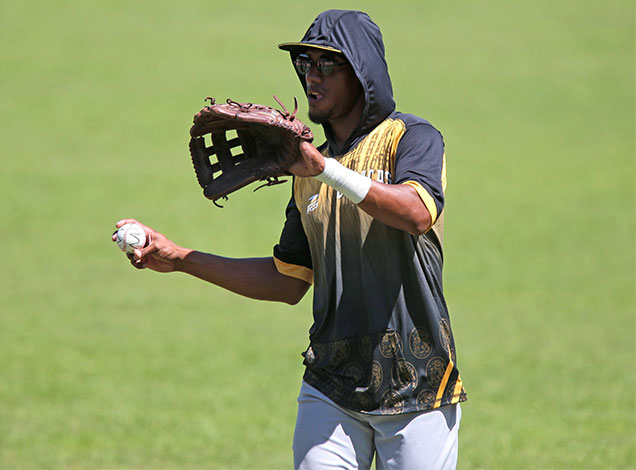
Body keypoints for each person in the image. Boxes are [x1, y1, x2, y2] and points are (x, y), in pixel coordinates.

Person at [114, 9, 466, 469]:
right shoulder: (307, 169)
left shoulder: (411, 138)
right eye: (304, 63)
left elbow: (417, 213)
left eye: (326, 64)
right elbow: (287, 280)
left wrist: (327, 171)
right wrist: (181, 257)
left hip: (417, 382)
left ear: (361, 72)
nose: (311, 76)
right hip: (331, 382)